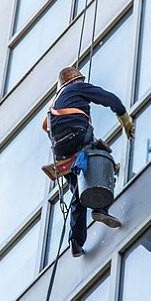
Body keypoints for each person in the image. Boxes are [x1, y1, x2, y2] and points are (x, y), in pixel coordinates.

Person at [43, 66, 135, 257]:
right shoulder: (76, 89)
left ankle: (75, 241)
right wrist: (125, 119)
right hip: (76, 136)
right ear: (75, 81)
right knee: (99, 152)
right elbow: (109, 99)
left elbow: (48, 129)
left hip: (61, 152)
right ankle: (100, 208)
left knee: (78, 191)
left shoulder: (53, 107)